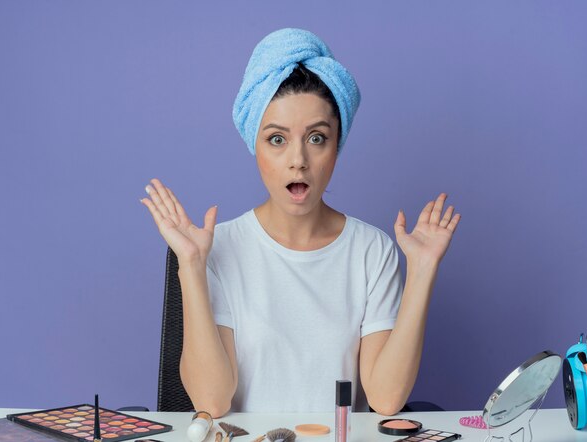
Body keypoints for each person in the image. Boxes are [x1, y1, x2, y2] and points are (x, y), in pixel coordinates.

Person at [140, 28, 460, 416]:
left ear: (336, 146)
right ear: (253, 145)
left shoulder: (371, 251)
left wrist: (423, 270)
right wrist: (191, 266)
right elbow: (211, 401)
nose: (298, 160)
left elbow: (386, 398)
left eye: (317, 138)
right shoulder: (220, 248)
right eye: (277, 139)